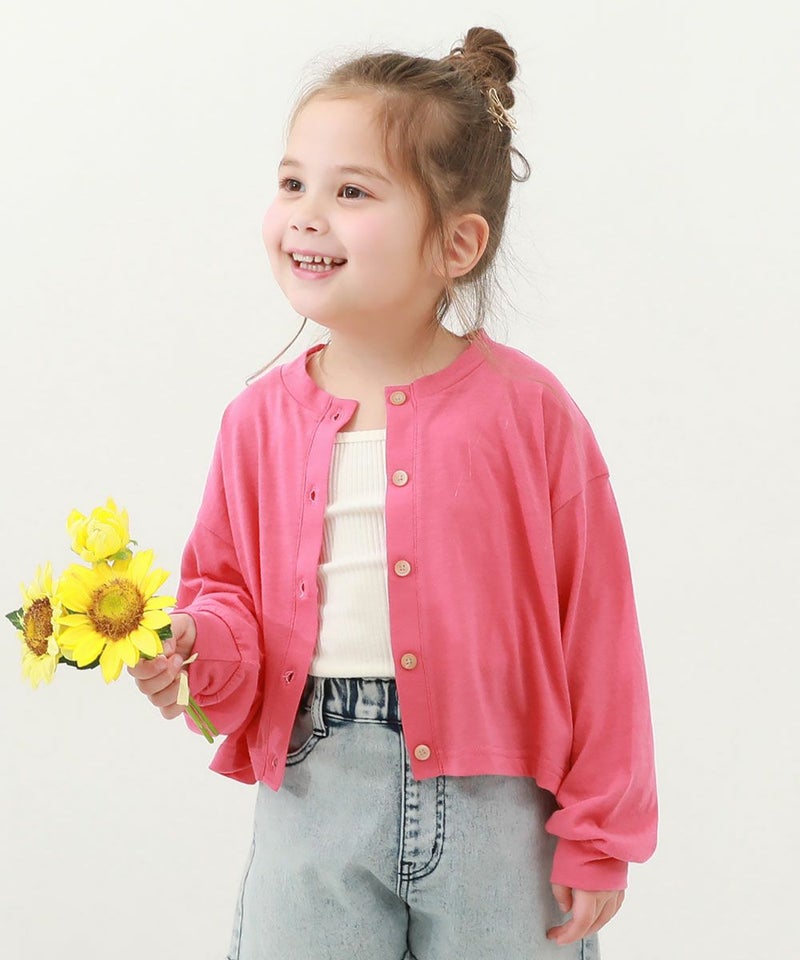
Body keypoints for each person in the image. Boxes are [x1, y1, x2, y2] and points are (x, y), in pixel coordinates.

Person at [130, 25, 657, 960]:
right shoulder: (255, 422)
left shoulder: (529, 413)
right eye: (292, 183)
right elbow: (227, 600)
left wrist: (601, 831)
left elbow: (598, 629)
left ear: (457, 242)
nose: (306, 215)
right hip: (313, 792)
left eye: (351, 192)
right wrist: (191, 644)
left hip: (503, 810)